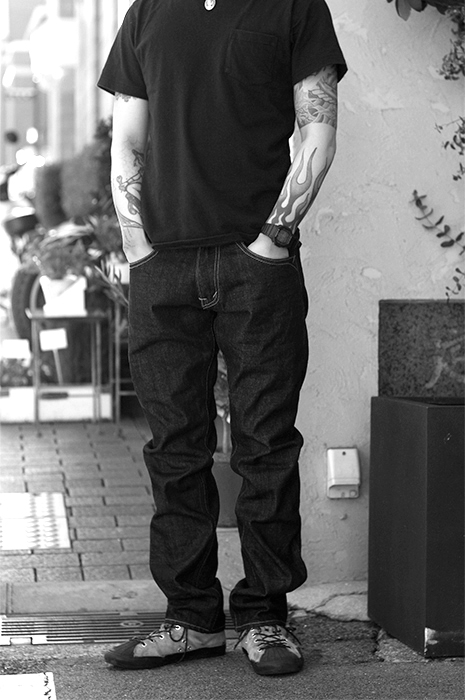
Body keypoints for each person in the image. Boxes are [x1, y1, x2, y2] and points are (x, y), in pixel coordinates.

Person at [98, 0, 347, 677]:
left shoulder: (294, 6)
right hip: (163, 265)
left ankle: (265, 616)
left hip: (256, 263)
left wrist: (274, 238)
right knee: (174, 448)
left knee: (266, 444)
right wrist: (137, 248)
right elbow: (127, 139)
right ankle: (191, 619)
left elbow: (318, 131)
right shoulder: (148, 11)